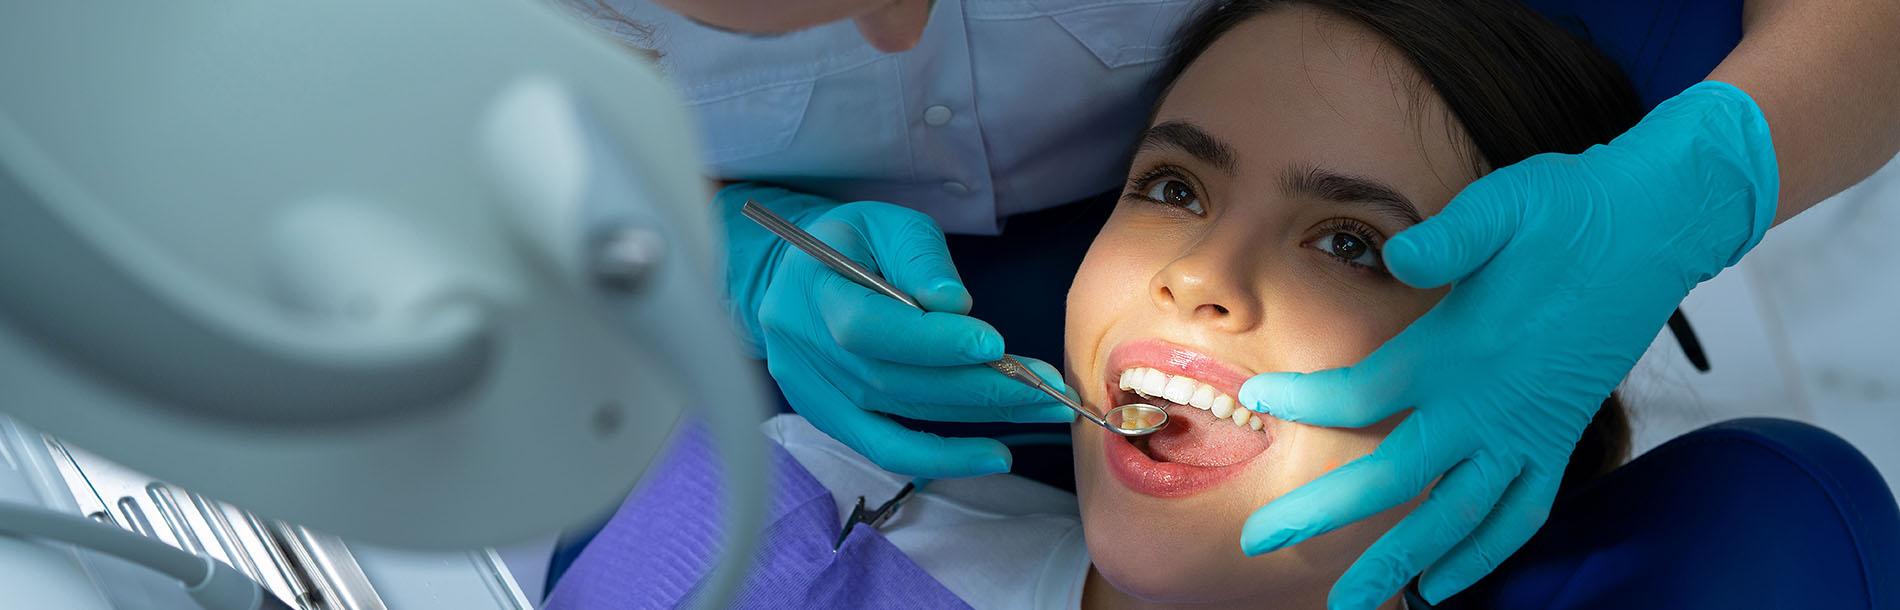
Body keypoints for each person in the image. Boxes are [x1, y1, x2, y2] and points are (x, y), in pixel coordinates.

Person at [549, 0, 1900, 603]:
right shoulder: (741, 545)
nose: (1197, 275)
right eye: (1173, 188)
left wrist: (1713, 178)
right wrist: (730, 251)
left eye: (1352, 244)